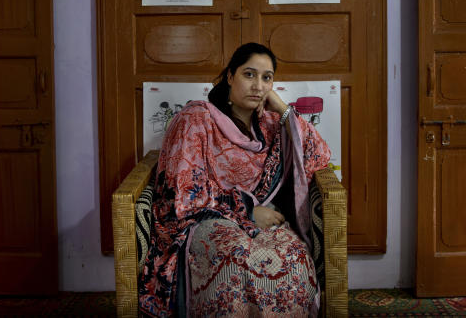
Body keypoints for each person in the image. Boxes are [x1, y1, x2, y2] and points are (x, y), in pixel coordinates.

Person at [139, 43, 331, 317]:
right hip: (204, 220)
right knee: (236, 258)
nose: (258, 86)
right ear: (230, 76)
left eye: (267, 78)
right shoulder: (197, 119)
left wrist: (281, 107)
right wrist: (249, 210)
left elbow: (318, 151)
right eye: (249, 74)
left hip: (265, 220)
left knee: (294, 258)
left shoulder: (270, 125)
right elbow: (182, 191)